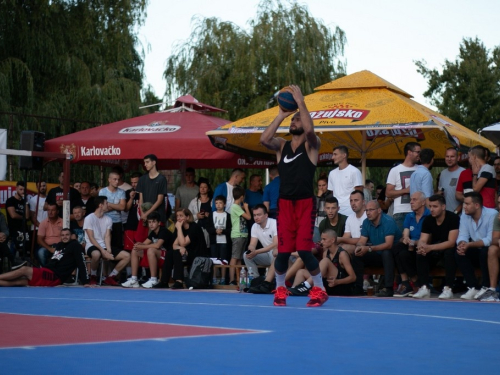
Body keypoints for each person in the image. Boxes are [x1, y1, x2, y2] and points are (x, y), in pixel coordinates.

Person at [260, 84, 329, 307]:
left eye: (296, 119)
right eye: (293, 120)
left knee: (303, 250)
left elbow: (310, 131)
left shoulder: (312, 145)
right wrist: (281, 115)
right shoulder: (281, 145)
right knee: (282, 253)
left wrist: (301, 103)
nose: (294, 122)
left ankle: (319, 289)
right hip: (285, 204)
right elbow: (263, 139)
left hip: (305, 203)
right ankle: (280, 290)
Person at [0, 228, 90, 287]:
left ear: (71, 236)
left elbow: (81, 262)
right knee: (19, 281)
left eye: (67, 235)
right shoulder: (59, 245)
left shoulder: (75, 245)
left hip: (55, 276)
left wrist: (85, 282)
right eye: (62, 235)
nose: (64, 237)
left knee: (24, 270)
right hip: (48, 272)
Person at [410, 194, 459, 299]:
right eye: (430, 206)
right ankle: (424, 288)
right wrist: (422, 246)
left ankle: (448, 288)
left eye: (435, 207)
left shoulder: (453, 218)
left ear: (443, 207)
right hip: (434, 249)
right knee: (420, 253)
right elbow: (423, 239)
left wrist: (430, 247)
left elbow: (451, 242)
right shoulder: (428, 220)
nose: (431, 209)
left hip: (448, 249)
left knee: (449, 252)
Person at [355, 200, 402, 297]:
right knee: (356, 256)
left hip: (394, 256)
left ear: (379, 210)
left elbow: (389, 244)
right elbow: (362, 240)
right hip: (377, 253)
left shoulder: (388, 221)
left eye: (371, 210)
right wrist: (359, 247)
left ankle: (388, 288)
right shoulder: (366, 222)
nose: (368, 213)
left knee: (386, 252)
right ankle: (358, 287)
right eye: (366, 210)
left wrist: (368, 248)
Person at [289, 229, 356, 296]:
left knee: (325, 261)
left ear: (332, 240)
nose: (321, 242)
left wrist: (337, 282)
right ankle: (293, 290)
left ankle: (306, 285)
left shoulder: (342, 254)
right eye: (321, 239)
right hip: (327, 284)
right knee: (301, 272)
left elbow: (353, 277)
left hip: (340, 286)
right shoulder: (326, 253)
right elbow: (323, 273)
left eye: (324, 239)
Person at [455, 192, 497, 300]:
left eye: (467, 204)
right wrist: (462, 244)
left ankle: (486, 286)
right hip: (474, 248)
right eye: (464, 204)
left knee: (485, 251)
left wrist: (469, 244)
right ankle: (473, 287)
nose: (464, 207)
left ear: (477, 205)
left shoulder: (492, 214)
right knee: (459, 252)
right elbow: (462, 235)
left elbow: (490, 239)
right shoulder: (464, 215)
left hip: (488, 249)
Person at [154, 208, 208, 289]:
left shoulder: (194, 227)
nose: (178, 218)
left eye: (181, 216)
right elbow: (174, 245)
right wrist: (181, 248)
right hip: (184, 253)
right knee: (170, 252)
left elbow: (183, 243)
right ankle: (164, 281)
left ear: (187, 217)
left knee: (176, 252)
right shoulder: (180, 228)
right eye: (177, 216)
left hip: (197, 255)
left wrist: (179, 229)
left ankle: (179, 281)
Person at [83, 196, 130, 286]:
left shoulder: (108, 219)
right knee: (96, 254)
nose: (108, 205)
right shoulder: (89, 218)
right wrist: (102, 251)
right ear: (100, 205)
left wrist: (108, 249)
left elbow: (107, 236)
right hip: (91, 245)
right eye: (106, 203)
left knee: (127, 256)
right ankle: (93, 276)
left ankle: (111, 277)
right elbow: (91, 238)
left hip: (104, 245)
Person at [392, 192, 431, 297]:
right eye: (411, 199)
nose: (411, 202)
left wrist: (413, 242)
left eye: (414, 200)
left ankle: (418, 284)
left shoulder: (429, 216)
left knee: (407, 253)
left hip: (425, 247)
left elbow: (426, 240)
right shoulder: (410, 216)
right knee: (397, 248)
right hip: (411, 246)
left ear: (423, 202)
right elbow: (406, 233)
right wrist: (406, 239)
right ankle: (406, 282)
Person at [122, 212, 174, 288]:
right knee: (135, 250)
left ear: (159, 223)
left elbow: (157, 245)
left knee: (151, 250)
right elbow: (145, 243)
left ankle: (153, 279)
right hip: (160, 255)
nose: (151, 224)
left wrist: (143, 246)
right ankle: (134, 279)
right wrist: (139, 244)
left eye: (153, 222)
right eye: (149, 222)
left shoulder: (163, 231)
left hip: (169, 256)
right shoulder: (153, 233)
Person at [386, 142, 421, 232]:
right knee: (401, 242)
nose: (419, 155)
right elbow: (388, 193)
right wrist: (406, 190)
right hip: (400, 211)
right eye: (417, 152)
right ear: (409, 152)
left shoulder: (421, 169)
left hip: (418, 210)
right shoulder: (395, 170)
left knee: (416, 240)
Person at [243, 204, 277, 286]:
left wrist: (256, 251)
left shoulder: (274, 223)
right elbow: (252, 244)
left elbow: (276, 244)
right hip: (267, 254)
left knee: (275, 253)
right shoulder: (255, 226)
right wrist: (251, 250)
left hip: (277, 253)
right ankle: (255, 280)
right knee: (246, 255)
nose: (256, 217)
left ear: (266, 215)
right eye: (254, 215)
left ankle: (271, 282)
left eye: (259, 215)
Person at [327, 145, 363, 216]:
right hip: (336, 211)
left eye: (335, 154)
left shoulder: (354, 171)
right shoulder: (332, 173)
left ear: (344, 155)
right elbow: (332, 193)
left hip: (350, 211)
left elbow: (359, 193)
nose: (332, 157)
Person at [136, 154, 168, 224]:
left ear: (154, 162)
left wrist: (146, 214)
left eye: (147, 162)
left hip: (158, 217)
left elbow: (160, 200)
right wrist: (142, 214)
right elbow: (140, 199)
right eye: (144, 162)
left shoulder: (162, 179)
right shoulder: (142, 179)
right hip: (145, 217)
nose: (145, 164)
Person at [229, 186, 251, 285]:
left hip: (242, 234)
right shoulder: (235, 207)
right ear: (242, 197)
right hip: (237, 234)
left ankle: (239, 279)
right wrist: (246, 208)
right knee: (234, 257)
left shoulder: (237, 207)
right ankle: (231, 280)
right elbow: (249, 217)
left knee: (239, 258)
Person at [99, 172, 126, 249]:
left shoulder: (121, 192)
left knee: (117, 245)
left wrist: (108, 204)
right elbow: (102, 208)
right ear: (109, 180)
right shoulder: (102, 191)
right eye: (115, 179)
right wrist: (117, 205)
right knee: (105, 244)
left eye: (118, 179)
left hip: (117, 222)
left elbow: (122, 207)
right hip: (105, 221)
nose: (117, 181)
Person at [208, 195, 231, 285]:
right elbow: (208, 227)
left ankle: (223, 278)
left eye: (220, 203)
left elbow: (230, 229)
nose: (218, 205)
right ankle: (214, 278)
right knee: (214, 260)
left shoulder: (227, 215)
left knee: (224, 260)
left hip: (224, 241)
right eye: (216, 203)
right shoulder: (212, 214)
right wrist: (215, 231)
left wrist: (223, 231)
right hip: (214, 241)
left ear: (224, 204)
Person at [482, 195, 500, 301]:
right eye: (498, 202)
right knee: (492, 249)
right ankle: (492, 290)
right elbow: (494, 239)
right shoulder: (498, 216)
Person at [5, 181, 30, 257]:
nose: (22, 191)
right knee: (13, 249)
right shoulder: (10, 200)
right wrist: (23, 218)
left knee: (25, 250)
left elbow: (28, 216)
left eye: (24, 190)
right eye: (20, 189)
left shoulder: (25, 202)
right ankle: (11, 265)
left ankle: (24, 266)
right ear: (16, 189)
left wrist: (25, 202)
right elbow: (13, 215)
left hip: (24, 229)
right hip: (14, 230)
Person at [438, 148, 465, 214]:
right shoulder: (443, 173)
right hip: (444, 215)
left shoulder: (463, 172)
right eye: (447, 156)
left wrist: (456, 212)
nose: (449, 159)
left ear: (458, 158)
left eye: (452, 156)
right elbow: (440, 192)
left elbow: (468, 197)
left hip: (458, 215)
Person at [123, 172, 141, 252]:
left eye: (136, 182)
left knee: (140, 249)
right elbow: (126, 208)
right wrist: (131, 198)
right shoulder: (128, 192)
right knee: (130, 249)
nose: (133, 185)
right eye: (132, 182)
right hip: (131, 224)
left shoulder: (146, 192)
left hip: (142, 224)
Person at [313, 173, 329, 243]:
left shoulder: (330, 196)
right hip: (317, 221)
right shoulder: (316, 197)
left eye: (324, 185)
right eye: (319, 186)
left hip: (327, 220)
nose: (321, 188)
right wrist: (318, 197)